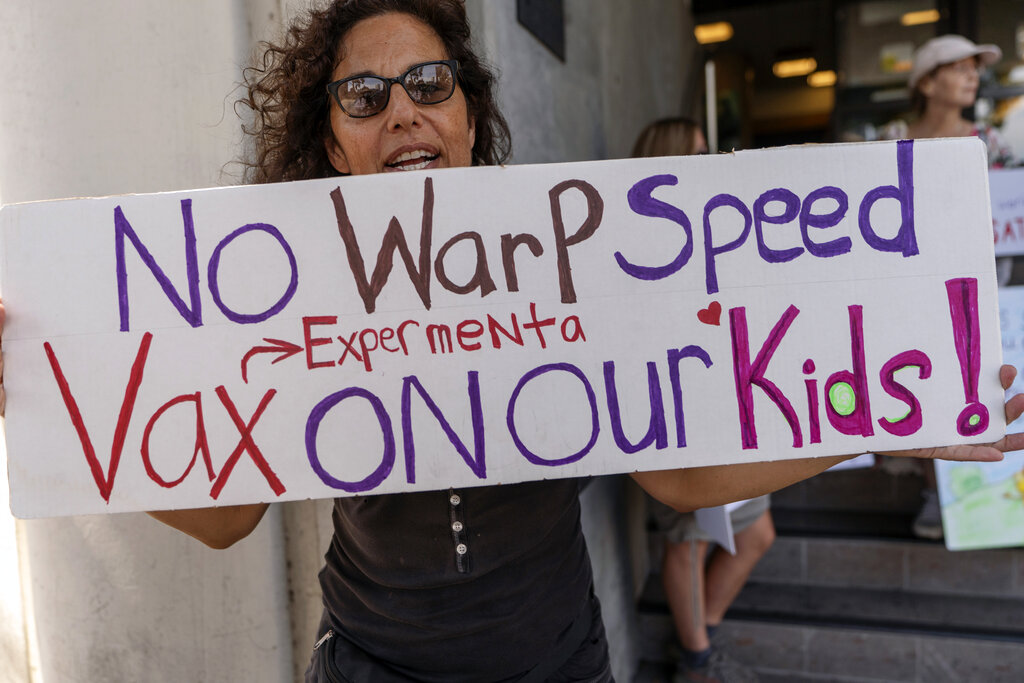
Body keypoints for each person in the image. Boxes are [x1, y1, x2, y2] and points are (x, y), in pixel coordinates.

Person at [3, 3, 1024, 681]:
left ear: (469, 110)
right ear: (331, 142)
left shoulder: (561, 259)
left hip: (557, 659)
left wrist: (888, 419)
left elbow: (676, 480)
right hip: (370, 664)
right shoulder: (285, 292)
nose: (399, 110)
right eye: (363, 95)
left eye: (429, 83)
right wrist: (46, 404)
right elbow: (227, 518)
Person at [634, 117, 770, 683]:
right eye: (694, 151)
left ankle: (698, 638)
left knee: (756, 532)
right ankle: (696, 659)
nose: (707, 158)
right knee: (689, 540)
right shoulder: (639, 241)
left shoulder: (716, 221)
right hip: (679, 414)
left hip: (732, 408)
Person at [883, 34, 1014, 539]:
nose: (971, 76)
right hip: (910, 288)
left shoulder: (991, 142)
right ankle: (936, 491)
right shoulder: (892, 136)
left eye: (974, 69)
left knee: (975, 383)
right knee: (923, 381)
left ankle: (971, 496)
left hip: (979, 289)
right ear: (926, 81)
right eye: (958, 67)